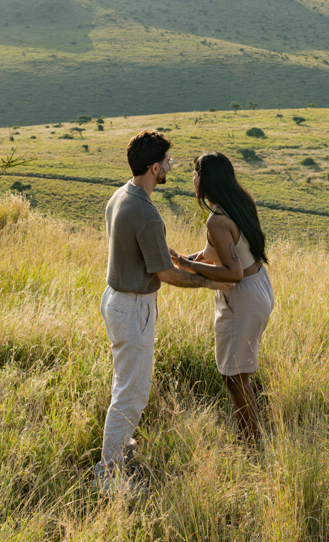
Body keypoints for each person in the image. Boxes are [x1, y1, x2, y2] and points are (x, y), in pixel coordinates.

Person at [95, 130, 233, 493]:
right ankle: (109, 476)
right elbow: (165, 274)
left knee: (124, 384)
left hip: (115, 298)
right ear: (155, 168)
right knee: (132, 394)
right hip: (133, 305)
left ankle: (121, 450)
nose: (171, 166)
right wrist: (207, 282)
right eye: (168, 162)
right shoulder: (147, 214)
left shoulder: (120, 195)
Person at [169, 151, 274, 445]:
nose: (193, 179)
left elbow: (233, 271)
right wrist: (187, 258)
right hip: (260, 286)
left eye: (195, 173)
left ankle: (249, 443)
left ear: (204, 179)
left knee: (234, 377)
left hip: (242, 296)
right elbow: (223, 252)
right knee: (241, 374)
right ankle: (250, 437)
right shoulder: (240, 203)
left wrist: (190, 267)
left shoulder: (216, 220)